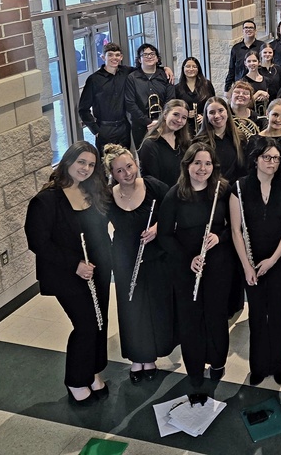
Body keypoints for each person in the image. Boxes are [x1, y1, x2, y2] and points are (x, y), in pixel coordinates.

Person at [24, 142, 112, 405]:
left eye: (91, 164)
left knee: (99, 323)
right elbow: (37, 241)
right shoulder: (47, 199)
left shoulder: (93, 191)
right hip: (67, 273)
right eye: (81, 162)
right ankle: (75, 379)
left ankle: (91, 370)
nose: (85, 168)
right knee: (85, 325)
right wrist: (75, 264)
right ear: (68, 162)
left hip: (97, 270)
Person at [157, 142, 233, 387]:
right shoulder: (175, 194)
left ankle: (217, 360)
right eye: (197, 163)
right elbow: (165, 235)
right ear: (187, 165)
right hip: (186, 264)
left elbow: (236, 228)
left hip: (218, 262)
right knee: (191, 318)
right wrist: (187, 259)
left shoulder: (223, 190)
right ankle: (195, 368)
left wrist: (219, 236)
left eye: (208, 163)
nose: (203, 168)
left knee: (216, 315)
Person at [103, 145, 172, 384]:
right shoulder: (108, 196)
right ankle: (136, 357)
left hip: (155, 257)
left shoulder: (153, 186)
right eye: (120, 170)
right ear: (112, 173)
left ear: (136, 163)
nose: (127, 173)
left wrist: (157, 228)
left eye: (129, 166)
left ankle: (150, 356)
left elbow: (174, 211)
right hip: (124, 258)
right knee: (131, 309)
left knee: (153, 307)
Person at [230, 136, 281, 385]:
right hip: (250, 261)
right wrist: (247, 267)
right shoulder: (239, 187)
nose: (272, 162)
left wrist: (273, 260)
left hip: (278, 259)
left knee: (278, 314)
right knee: (257, 314)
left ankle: (279, 365)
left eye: (276, 158)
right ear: (256, 159)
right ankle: (258, 365)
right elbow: (236, 231)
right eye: (267, 157)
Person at [78, 43, 131, 153]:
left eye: (117, 55)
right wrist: (96, 130)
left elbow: (144, 69)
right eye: (110, 55)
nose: (114, 58)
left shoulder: (126, 72)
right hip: (104, 129)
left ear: (121, 57)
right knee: (106, 164)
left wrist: (164, 68)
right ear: (103, 57)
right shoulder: (94, 80)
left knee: (124, 161)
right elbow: (83, 109)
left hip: (123, 127)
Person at [125, 43, 174, 148]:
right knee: (144, 157)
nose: (149, 56)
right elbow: (130, 104)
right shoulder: (132, 78)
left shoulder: (166, 75)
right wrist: (148, 122)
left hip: (164, 124)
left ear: (157, 59)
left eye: (152, 54)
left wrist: (160, 121)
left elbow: (170, 100)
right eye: (145, 55)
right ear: (139, 60)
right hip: (140, 126)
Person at [138, 99, 190, 189]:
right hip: (162, 198)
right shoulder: (150, 145)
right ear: (165, 114)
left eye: (184, 117)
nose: (179, 120)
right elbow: (151, 181)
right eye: (176, 114)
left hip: (183, 195)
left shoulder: (184, 143)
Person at [195, 96, 247, 182]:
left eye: (220, 110)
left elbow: (244, 169)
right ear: (206, 116)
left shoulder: (240, 137)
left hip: (235, 190)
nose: (217, 116)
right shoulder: (200, 142)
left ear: (227, 112)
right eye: (212, 112)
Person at [174, 57, 215, 134]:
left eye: (194, 66)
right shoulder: (177, 88)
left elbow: (213, 103)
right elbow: (175, 108)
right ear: (183, 68)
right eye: (188, 66)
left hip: (205, 125)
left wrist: (205, 116)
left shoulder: (207, 85)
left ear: (198, 69)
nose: (191, 69)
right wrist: (186, 114)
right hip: (185, 127)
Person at [224, 19, 265, 91]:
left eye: (251, 28)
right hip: (240, 85)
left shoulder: (262, 46)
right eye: (246, 28)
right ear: (242, 31)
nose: (248, 29)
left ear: (255, 31)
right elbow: (231, 69)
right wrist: (227, 88)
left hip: (257, 85)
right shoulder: (236, 48)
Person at [241, 50, 272, 115]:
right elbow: (243, 104)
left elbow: (271, 99)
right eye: (249, 61)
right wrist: (258, 93)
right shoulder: (243, 82)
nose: (252, 63)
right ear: (245, 63)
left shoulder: (266, 80)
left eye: (254, 61)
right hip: (249, 115)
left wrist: (266, 98)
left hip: (264, 115)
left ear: (259, 62)